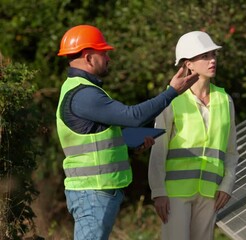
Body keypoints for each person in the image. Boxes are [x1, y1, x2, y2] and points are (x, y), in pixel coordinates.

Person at [55, 25, 198, 240]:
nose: (108, 58)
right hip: (93, 191)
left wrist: (129, 145)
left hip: (94, 191)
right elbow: (133, 116)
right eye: (104, 53)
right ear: (88, 56)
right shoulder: (84, 94)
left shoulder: (80, 90)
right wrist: (172, 92)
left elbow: (96, 143)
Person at [148, 31, 239, 240]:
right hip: (175, 193)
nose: (212, 60)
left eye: (213, 55)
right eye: (205, 56)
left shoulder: (225, 100)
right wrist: (158, 191)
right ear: (188, 64)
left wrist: (227, 184)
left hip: (210, 193)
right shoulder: (171, 100)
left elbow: (232, 151)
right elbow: (159, 148)